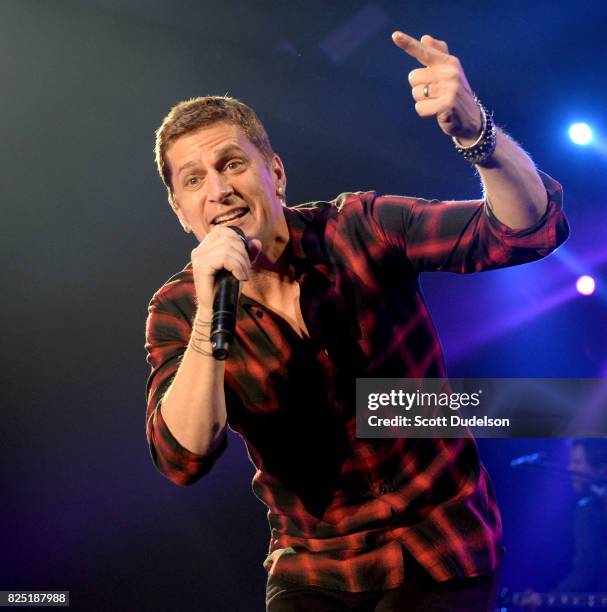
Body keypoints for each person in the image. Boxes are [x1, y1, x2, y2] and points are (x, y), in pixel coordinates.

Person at [144, 31, 569, 611]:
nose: (218, 190)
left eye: (233, 164)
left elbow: (523, 232)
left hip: (441, 545)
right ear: (180, 210)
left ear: (276, 173)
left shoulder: (357, 227)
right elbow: (183, 457)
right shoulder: (178, 308)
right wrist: (208, 318)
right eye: (194, 180)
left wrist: (477, 133)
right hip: (319, 566)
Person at [521, 440, 607, 609]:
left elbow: (586, 570)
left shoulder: (588, 511)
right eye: (571, 461)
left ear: (602, 468)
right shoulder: (587, 509)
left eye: (577, 462)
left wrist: (546, 600)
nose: (570, 468)